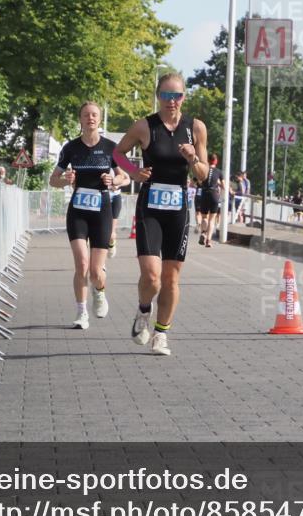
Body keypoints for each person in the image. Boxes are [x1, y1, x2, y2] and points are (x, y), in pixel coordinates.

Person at [113, 73, 208, 356]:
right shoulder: (145, 126)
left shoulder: (196, 128)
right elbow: (118, 153)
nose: (171, 101)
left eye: (176, 96)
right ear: (158, 97)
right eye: (166, 95)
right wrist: (133, 173)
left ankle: (161, 334)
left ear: (183, 97)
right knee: (152, 276)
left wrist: (192, 158)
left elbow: (203, 175)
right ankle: (144, 310)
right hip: (150, 207)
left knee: (171, 278)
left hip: (178, 208)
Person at [48, 102, 128, 329]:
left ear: (99, 119)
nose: (90, 118)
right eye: (86, 115)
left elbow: (126, 177)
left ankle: (99, 291)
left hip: (102, 210)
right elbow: (53, 180)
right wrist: (66, 180)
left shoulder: (112, 147)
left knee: (95, 271)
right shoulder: (70, 148)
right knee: (82, 264)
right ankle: (81, 312)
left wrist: (114, 180)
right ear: (80, 119)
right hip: (78, 211)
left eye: (94, 115)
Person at [197, 154, 226, 248]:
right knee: (212, 219)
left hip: (205, 193)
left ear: (208, 161)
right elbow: (224, 186)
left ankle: (203, 232)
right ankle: (208, 241)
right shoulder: (219, 172)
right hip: (214, 194)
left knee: (204, 217)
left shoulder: (204, 169)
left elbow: (199, 181)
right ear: (216, 161)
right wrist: (218, 184)